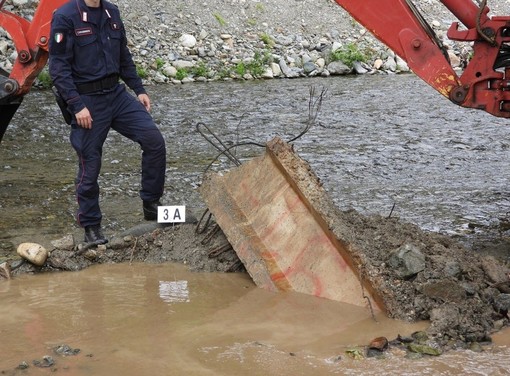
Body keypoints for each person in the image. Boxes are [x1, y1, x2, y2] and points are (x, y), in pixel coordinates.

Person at [48, 0, 166, 244]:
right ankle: (91, 227)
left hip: (117, 95)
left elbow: (124, 55)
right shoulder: (66, 16)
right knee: (90, 164)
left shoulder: (112, 11)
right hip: (87, 101)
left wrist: (139, 88)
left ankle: (151, 204)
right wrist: (77, 105)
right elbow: (58, 68)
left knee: (154, 140)